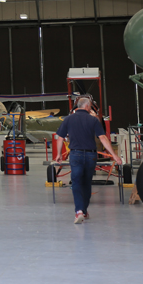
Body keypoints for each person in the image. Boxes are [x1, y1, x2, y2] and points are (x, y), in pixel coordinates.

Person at [54, 96, 122, 224]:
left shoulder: (68, 119)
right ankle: (84, 211)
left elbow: (60, 138)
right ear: (87, 106)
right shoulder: (94, 120)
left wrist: (58, 154)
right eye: (90, 106)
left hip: (75, 155)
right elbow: (103, 138)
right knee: (86, 183)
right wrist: (114, 155)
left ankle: (79, 211)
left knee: (76, 182)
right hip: (91, 156)